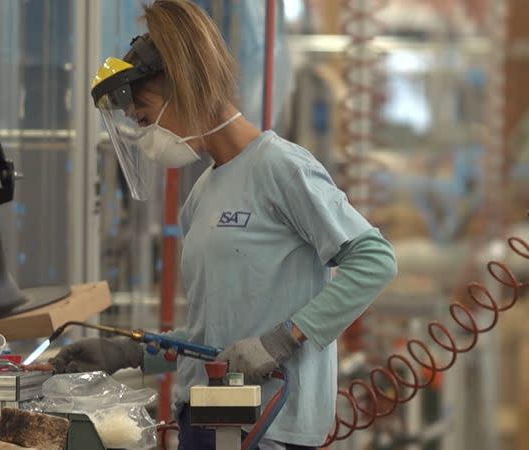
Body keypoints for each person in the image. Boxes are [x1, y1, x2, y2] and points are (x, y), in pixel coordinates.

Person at [50, 1, 398, 449]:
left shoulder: (282, 169)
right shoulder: (201, 197)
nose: (146, 131)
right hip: (208, 420)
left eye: (146, 112)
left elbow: (375, 261)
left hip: (271, 426)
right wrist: (130, 353)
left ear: (187, 85)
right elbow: (209, 337)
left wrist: (285, 339)